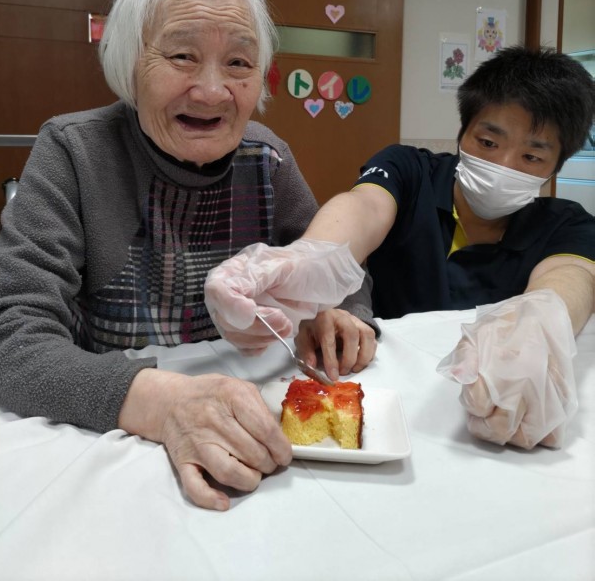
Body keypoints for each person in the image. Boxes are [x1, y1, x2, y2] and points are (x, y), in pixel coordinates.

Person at [0, 0, 377, 512]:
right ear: (129, 63)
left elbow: (340, 268)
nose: (213, 91)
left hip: (254, 430)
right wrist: (163, 403)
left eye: (239, 63)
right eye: (181, 56)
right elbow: (11, 340)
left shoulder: (267, 158)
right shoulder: (75, 152)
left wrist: (338, 312)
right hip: (114, 442)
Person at [210, 47, 595, 449]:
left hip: (477, 425)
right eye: (487, 142)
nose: (503, 165)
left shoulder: (568, 224)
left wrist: (538, 326)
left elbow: (571, 278)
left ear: (557, 166)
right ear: (463, 132)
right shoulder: (410, 170)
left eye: (531, 156)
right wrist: (309, 257)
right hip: (384, 408)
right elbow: (364, 208)